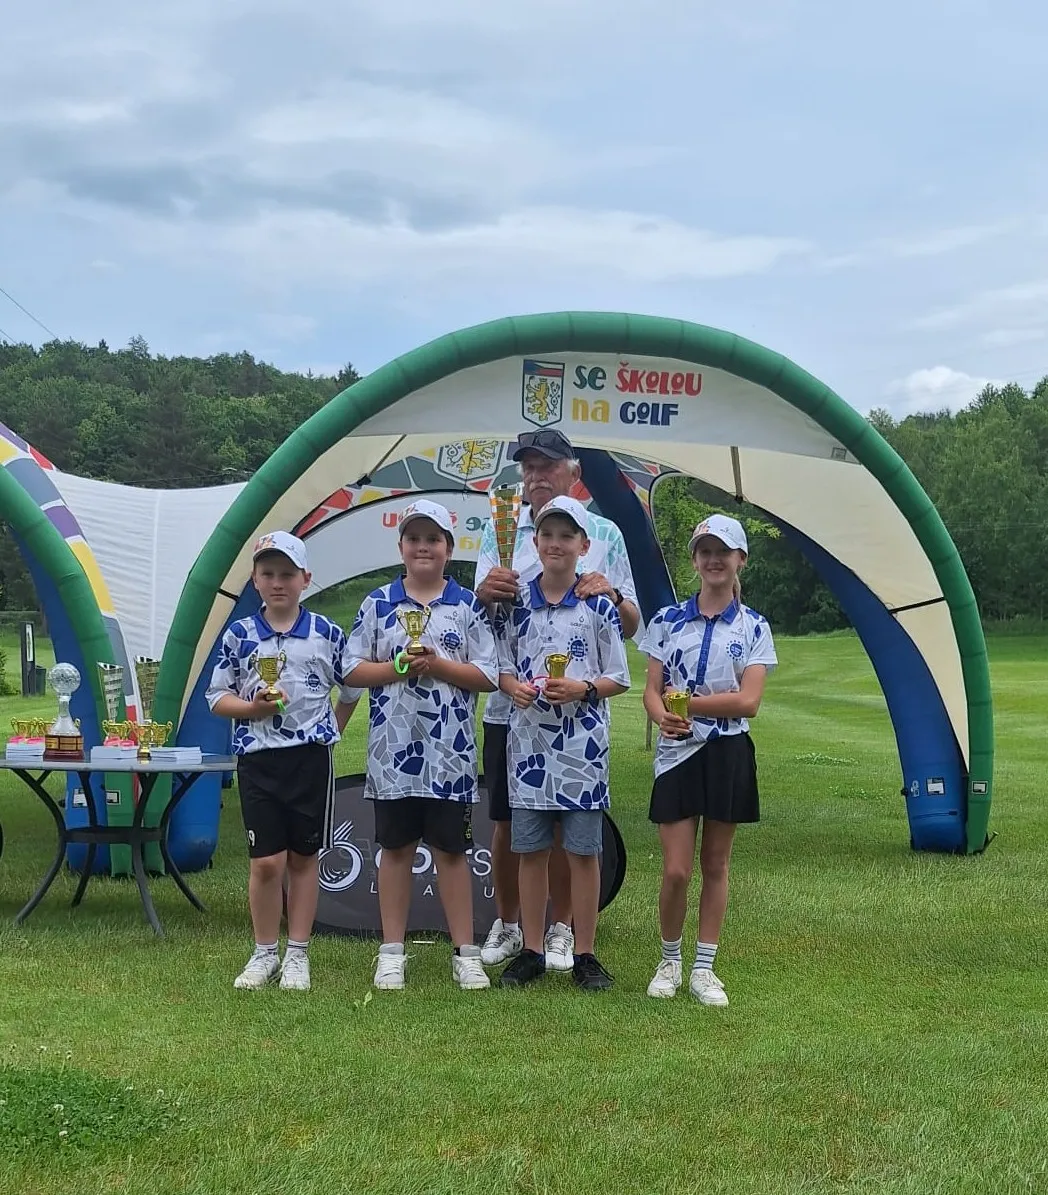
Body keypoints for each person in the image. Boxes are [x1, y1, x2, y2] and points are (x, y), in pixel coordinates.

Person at [475, 429, 639, 973]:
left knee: (573, 832)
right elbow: (485, 626)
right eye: (528, 467)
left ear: (573, 472)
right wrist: (485, 593)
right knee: (511, 825)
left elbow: (629, 625)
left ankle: (565, 930)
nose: (536, 475)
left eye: (546, 465)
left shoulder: (606, 533)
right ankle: (512, 927)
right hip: (514, 715)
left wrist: (611, 593)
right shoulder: (500, 527)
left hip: (577, 722)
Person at [344, 499, 499, 992]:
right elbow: (351, 669)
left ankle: (465, 953)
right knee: (395, 851)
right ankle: (392, 952)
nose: (423, 547)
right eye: (414, 538)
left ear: (449, 548)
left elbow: (488, 674)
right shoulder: (378, 603)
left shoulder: (468, 605)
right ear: (401, 547)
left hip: (450, 756)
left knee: (452, 853)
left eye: (433, 539)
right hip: (393, 756)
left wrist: (439, 665)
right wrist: (398, 668)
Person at [207, 530, 363, 992]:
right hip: (258, 761)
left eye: (287, 574)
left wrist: (331, 731)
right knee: (266, 863)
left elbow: (351, 688)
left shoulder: (326, 633)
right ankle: (263, 952)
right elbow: (217, 697)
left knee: (303, 858)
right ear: (255, 580)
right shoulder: (239, 635)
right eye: (268, 573)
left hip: (310, 761)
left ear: (305, 579)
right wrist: (251, 709)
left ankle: (297, 953)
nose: (278, 582)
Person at [639, 514, 777, 1006]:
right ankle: (669, 959)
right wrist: (662, 715)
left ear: (741, 559)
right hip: (677, 753)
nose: (714, 560)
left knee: (715, 863)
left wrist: (689, 705)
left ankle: (704, 967)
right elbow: (651, 690)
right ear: (695, 560)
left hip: (727, 751)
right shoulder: (667, 620)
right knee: (676, 870)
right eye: (705, 551)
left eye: (723, 551)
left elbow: (748, 702)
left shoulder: (754, 626)